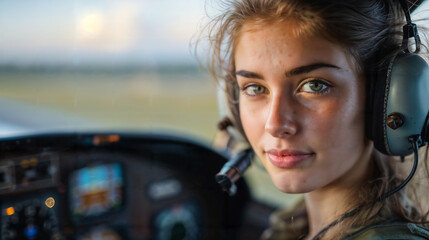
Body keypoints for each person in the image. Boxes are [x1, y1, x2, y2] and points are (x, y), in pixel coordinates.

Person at [198, 0, 429, 239]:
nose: (275, 125)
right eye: (255, 88)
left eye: (314, 85)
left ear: (385, 99)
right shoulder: (291, 228)